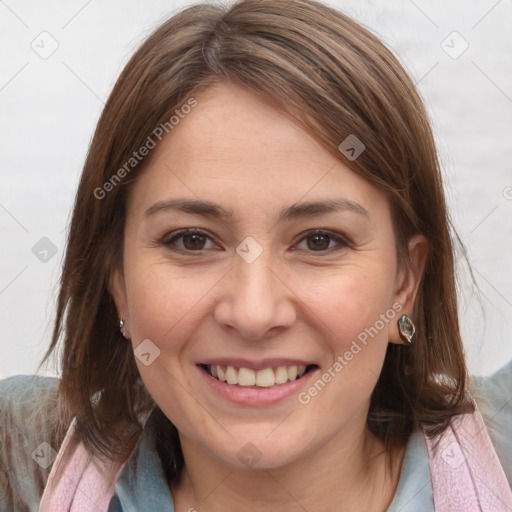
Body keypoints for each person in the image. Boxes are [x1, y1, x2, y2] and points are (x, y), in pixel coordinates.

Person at [1, 0, 511, 510]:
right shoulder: (17, 462)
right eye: (192, 240)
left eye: (319, 241)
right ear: (117, 282)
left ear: (406, 281)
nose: (253, 313)